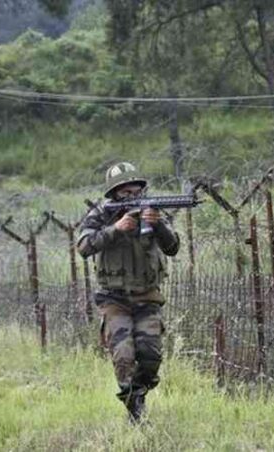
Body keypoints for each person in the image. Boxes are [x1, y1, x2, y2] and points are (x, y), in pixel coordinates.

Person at [77, 162, 180, 422]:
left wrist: (158, 226)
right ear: (114, 194)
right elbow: (83, 245)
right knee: (123, 356)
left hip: (147, 297)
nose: (132, 197)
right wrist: (116, 228)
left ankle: (139, 394)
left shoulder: (152, 211)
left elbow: (173, 247)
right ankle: (134, 409)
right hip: (114, 299)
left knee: (150, 356)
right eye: (125, 193)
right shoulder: (101, 214)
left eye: (136, 191)